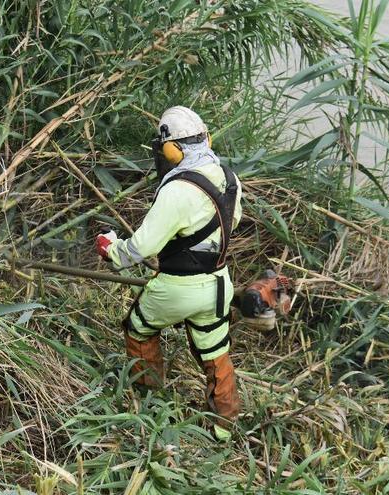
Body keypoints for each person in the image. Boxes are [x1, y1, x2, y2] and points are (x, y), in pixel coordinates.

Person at [95, 106, 242, 441]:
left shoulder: (177, 190)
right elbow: (229, 223)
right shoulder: (230, 177)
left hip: (176, 288)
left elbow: (140, 248)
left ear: (172, 149)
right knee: (215, 351)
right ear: (207, 138)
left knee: (139, 329)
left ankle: (148, 400)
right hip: (219, 284)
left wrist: (111, 248)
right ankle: (223, 429)